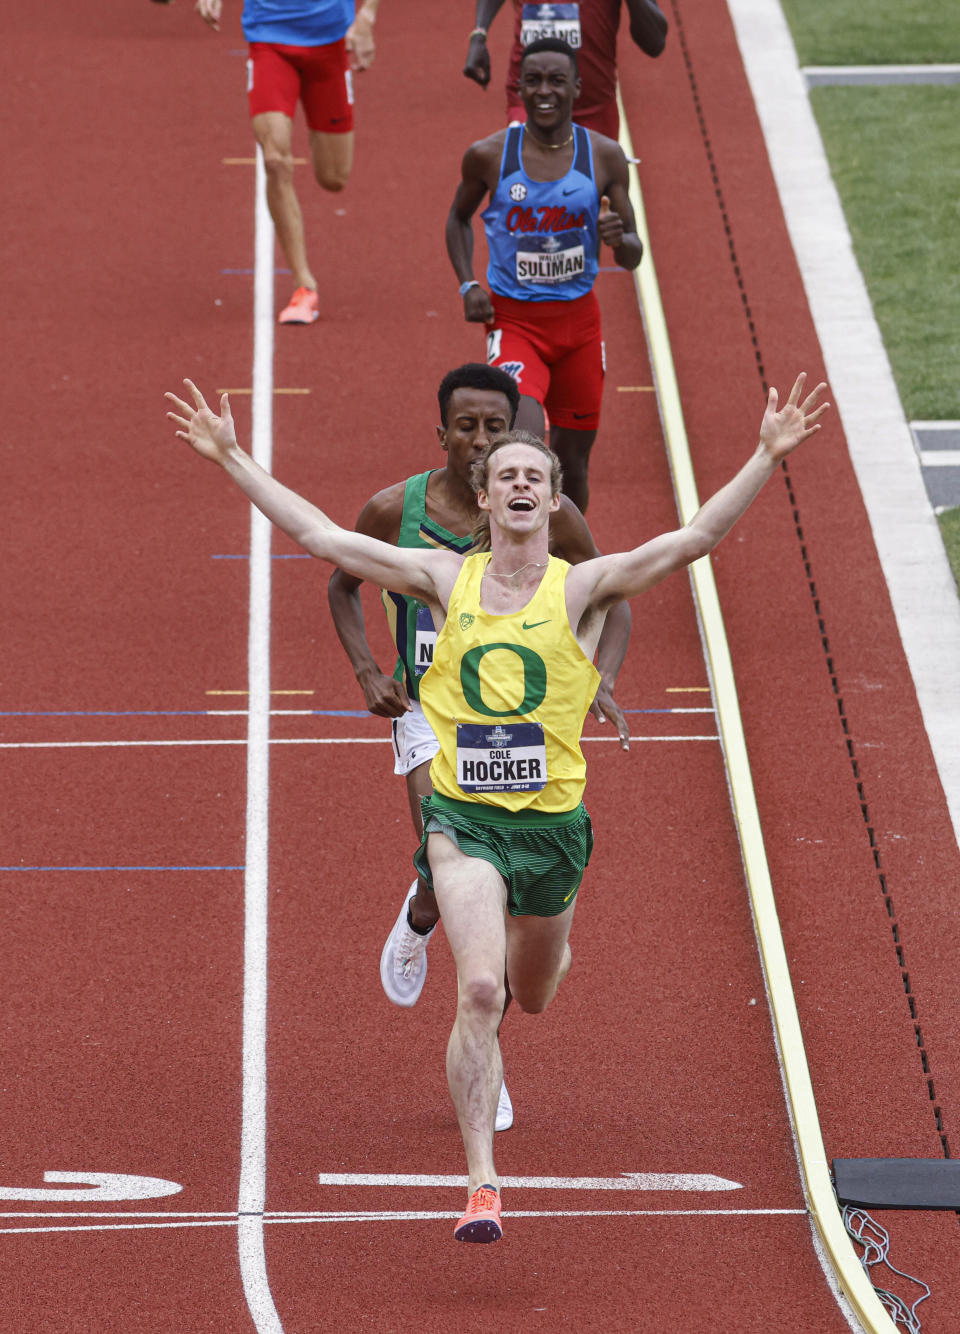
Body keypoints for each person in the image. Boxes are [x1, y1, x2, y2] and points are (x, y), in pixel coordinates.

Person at [166, 370, 829, 1243]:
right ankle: (482, 1185)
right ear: (482, 497)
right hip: (465, 824)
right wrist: (234, 456)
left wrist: (765, 455)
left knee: (534, 991)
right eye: (505, 475)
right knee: (479, 989)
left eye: (535, 478)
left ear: (554, 503)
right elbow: (320, 536)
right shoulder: (445, 577)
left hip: (553, 834)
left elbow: (695, 538)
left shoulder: (582, 586)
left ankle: (540, 954)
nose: (520, 485)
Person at [326, 364, 631, 1133]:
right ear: (443, 434)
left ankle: (480, 1043)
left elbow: (609, 596)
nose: (483, 441)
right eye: (468, 427)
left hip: (517, 725)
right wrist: (366, 666)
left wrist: (597, 674)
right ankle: (424, 906)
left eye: (497, 427)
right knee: (444, 852)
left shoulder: (542, 514)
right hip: (430, 710)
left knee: (488, 914)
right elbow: (340, 582)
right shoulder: (396, 509)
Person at [446, 37, 643, 514]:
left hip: (579, 326)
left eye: (557, 80)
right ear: (519, 87)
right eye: (532, 81)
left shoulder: (605, 157)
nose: (544, 92)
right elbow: (457, 219)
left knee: (573, 463)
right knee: (524, 448)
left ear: (577, 86)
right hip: (515, 324)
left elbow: (634, 253)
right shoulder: (489, 155)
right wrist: (468, 283)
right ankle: (509, 557)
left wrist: (619, 239)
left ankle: (569, 570)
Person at [195, 0, 381, 325]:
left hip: (329, 41)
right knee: (274, 159)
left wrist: (367, 15)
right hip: (268, 39)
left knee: (334, 177)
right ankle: (304, 285)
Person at [463, 0, 668, 141]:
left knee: (592, 197)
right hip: (531, 100)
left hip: (592, 107)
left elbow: (655, 43)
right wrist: (479, 34)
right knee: (526, 191)